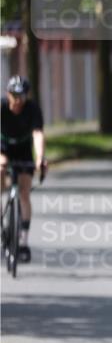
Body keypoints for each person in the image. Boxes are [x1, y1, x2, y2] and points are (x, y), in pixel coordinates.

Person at [0, 76, 47, 263]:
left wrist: (40, 158)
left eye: (22, 96)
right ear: (8, 94)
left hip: (23, 149)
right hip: (3, 146)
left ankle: (23, 242)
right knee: (1, 166)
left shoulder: (33, 109)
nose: (18, 100)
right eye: (14, 95)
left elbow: (37, 134)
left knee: (24, 194)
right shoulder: (2, 107)